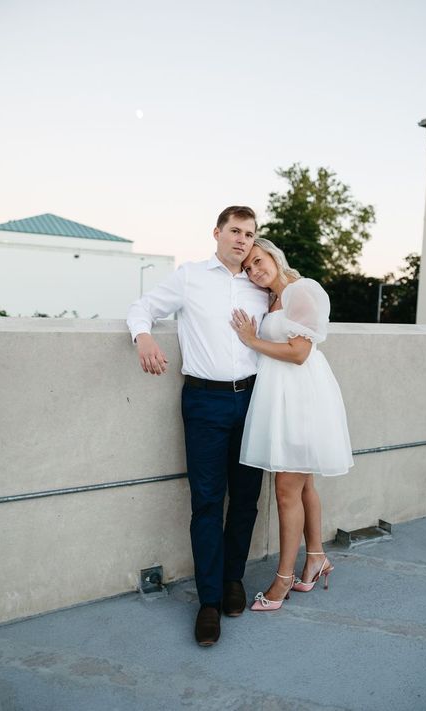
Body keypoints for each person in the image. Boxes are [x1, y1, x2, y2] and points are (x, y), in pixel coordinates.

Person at [127, 207, 268, 645]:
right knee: (207, 502)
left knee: (245, 500)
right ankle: (208, 602)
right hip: (204, 400)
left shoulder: (260, 285)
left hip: (253, 401)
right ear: (218, 233)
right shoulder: (190, 276)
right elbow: (142, 308)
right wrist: (144, 336)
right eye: (235, 231)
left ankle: (232, 583)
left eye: (250, 234)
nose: (242, 240)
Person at [230, 237, 353, 610]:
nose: (254, 270)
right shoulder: (271, 299)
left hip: (300, 397)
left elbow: (299, 353)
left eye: (258, 260)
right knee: (303, 486)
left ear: (273, 255)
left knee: (287, 490)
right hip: (281, 397)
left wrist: (251, 340)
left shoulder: (301, 290)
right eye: (248, 268)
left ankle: (282, 580)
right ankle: (315, 558)